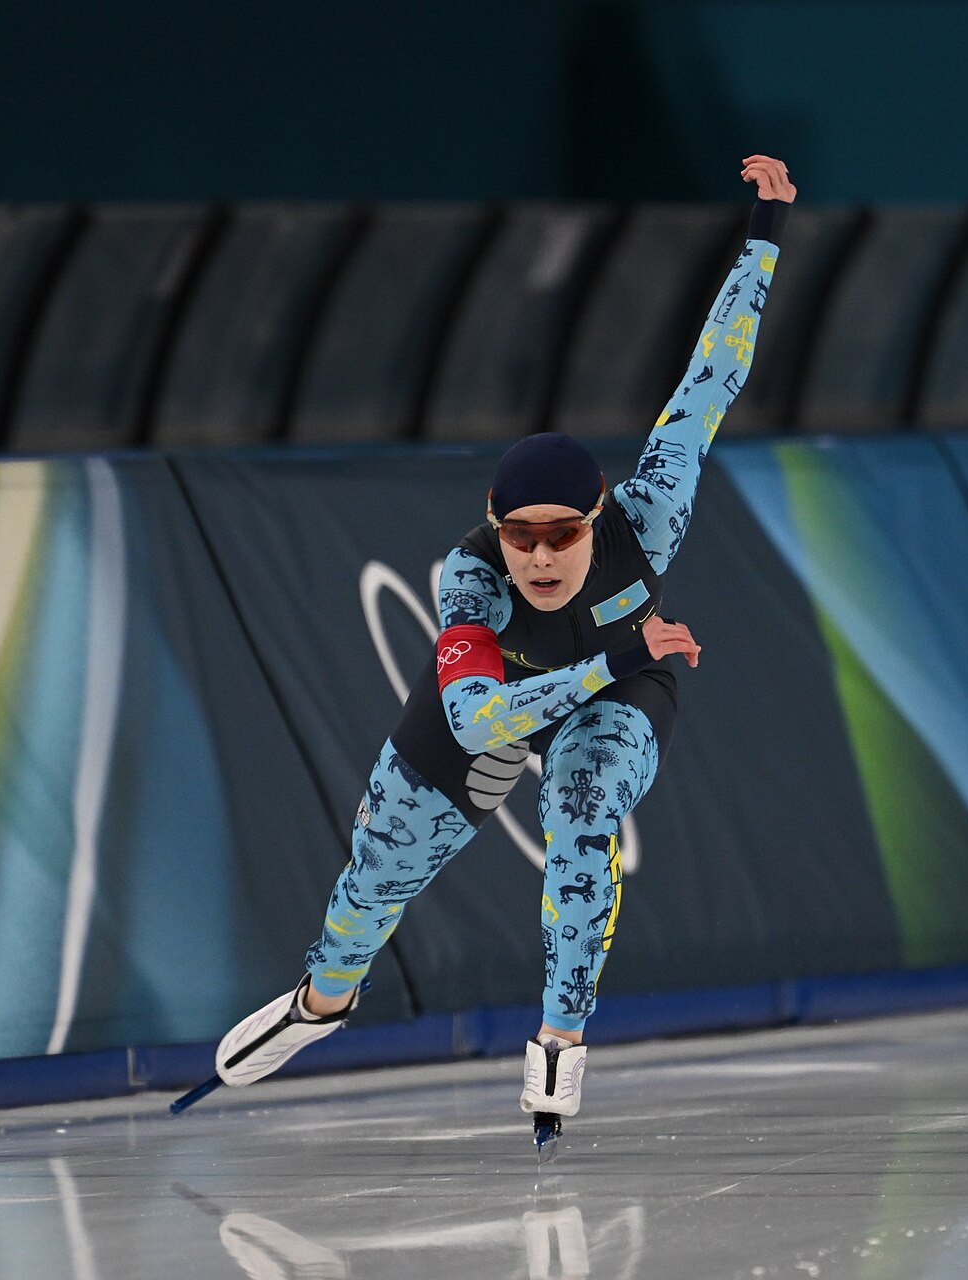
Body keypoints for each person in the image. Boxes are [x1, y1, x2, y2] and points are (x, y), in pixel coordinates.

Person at [216, 155, 797, 1130]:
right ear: (493, 526)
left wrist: (767, 235)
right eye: (517, 533)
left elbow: (714, 373)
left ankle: (560, 1037)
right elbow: (474, 715)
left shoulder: (649, 517)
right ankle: (324, 1000)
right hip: (558, 683)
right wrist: (611, 653)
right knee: (376, 870)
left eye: (561, 535)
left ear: (598, 517)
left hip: (616, 697)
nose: (538, 557)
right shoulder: (471, 578)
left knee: (581, 809)